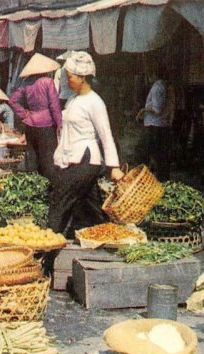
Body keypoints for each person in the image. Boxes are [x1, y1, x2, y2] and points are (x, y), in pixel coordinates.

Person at [49, 52, 124, 236]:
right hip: (72, 158)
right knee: (91, 208)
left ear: (82, 77)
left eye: (71, 77)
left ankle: (47, 248)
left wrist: (114, 166)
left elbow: (106, 136)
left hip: (85, 159)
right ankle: (106, 239)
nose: (68, 81)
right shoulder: (73, 100)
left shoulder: (95, 102)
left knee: (61, 200)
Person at [9, 53, 62, 179]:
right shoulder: (48, 82)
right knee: (48, 159)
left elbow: (12, 101)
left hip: (31, 124)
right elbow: (54, 105)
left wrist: (25, 115)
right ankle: (49, 186)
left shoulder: (25, 83)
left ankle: (35, 183)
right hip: (47, 125)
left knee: (33, 157)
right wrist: (59, 124)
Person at [136, 67, 174, 180]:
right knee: (160, 155)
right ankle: (161, 178)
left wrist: (143, 111)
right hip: (161, 124)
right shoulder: (165, 86)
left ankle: (152, 179)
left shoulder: (158, 86)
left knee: (152, 154)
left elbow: (157, 109)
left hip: (155, 125)